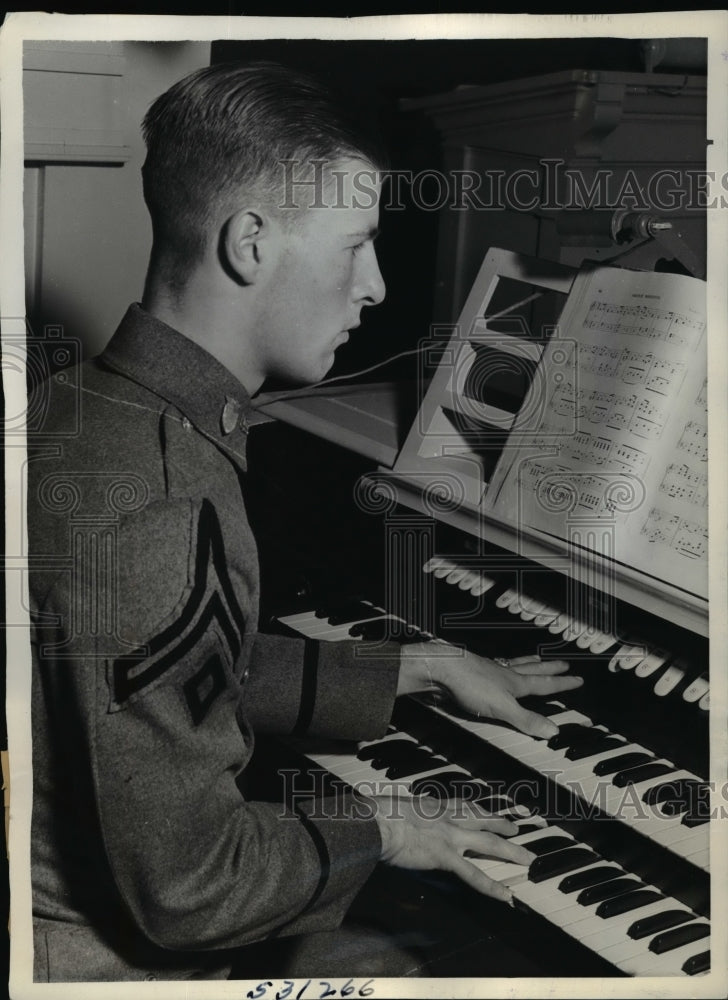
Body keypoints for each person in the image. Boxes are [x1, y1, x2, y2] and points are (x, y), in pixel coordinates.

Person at [28, 60, 582, 983]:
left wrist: (414, 666)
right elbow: (192, 888)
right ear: (250, 243)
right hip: (78, 958)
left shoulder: (80, 403)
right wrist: (387, 823)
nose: (373, 286)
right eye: (354, 244)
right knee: (422, 963)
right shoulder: (164, 504)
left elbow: (156, 674)